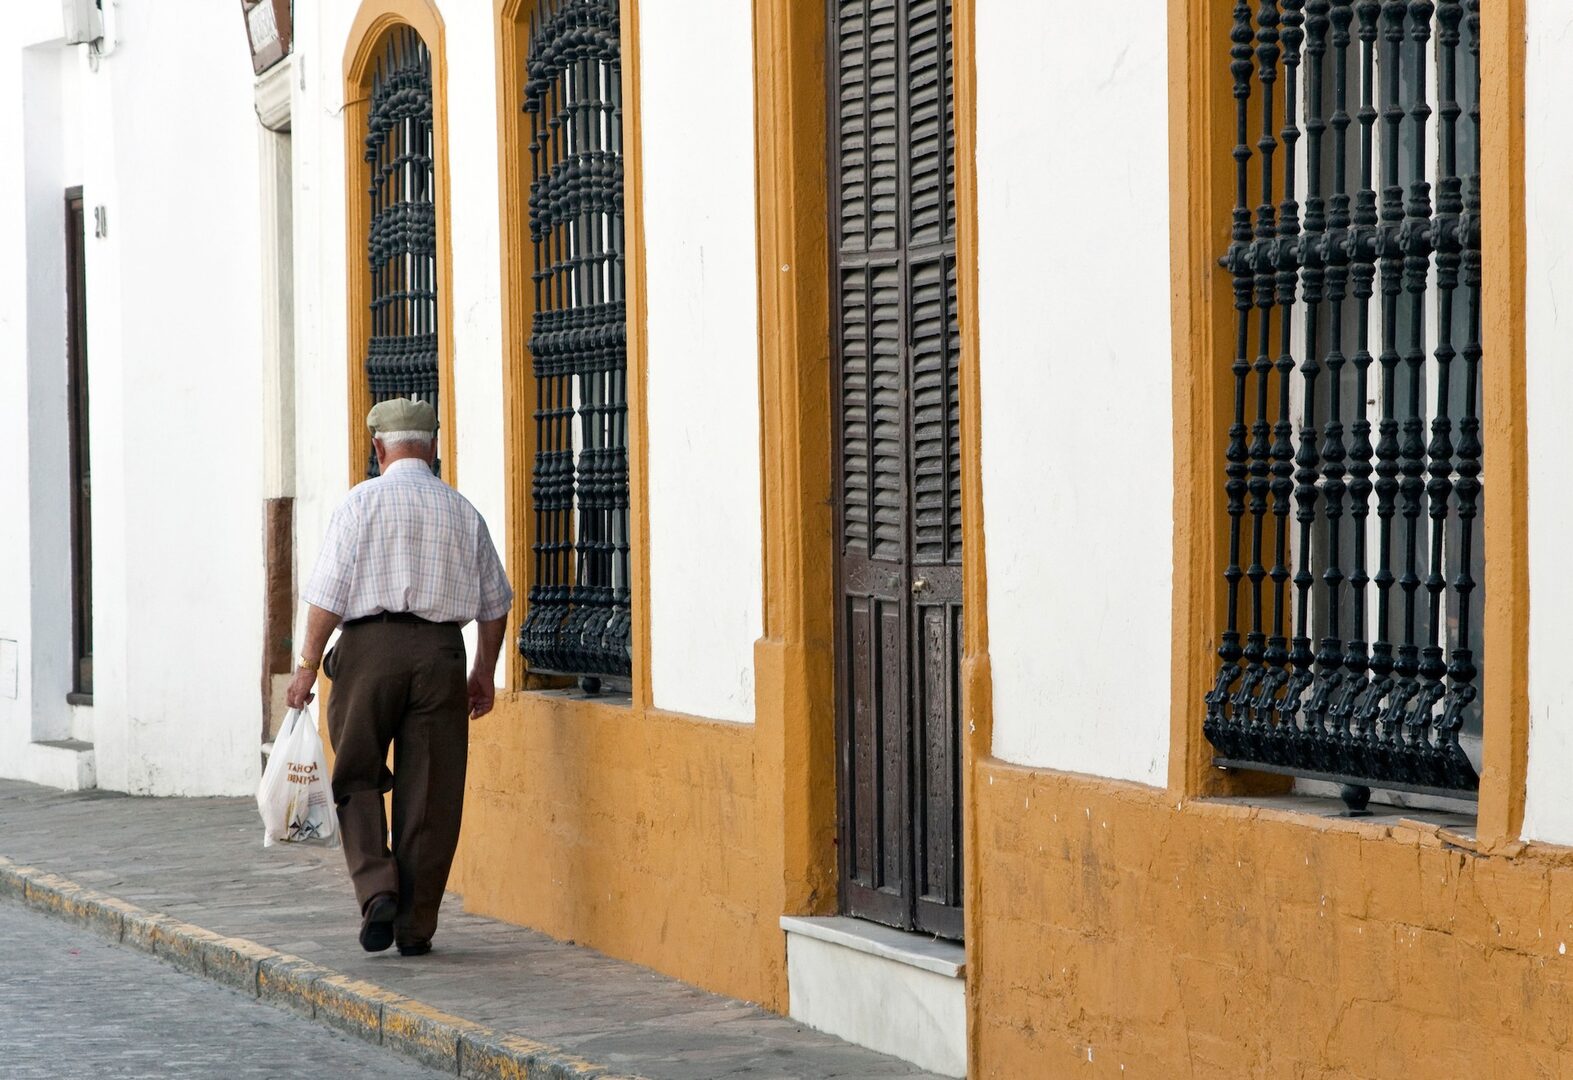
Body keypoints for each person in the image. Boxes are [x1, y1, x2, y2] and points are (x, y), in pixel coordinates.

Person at [285, 398, 512, 956]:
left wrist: (306, 668)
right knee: (432, 793)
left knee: (356, 774)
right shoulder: (462, 510)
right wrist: (483, 672)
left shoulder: (359, 504)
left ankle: (377, 889)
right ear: (433, 447)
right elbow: (496, 603)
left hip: (368, 651)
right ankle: (415, 927)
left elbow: (327, 597)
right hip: (440, 654)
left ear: (378, 447)